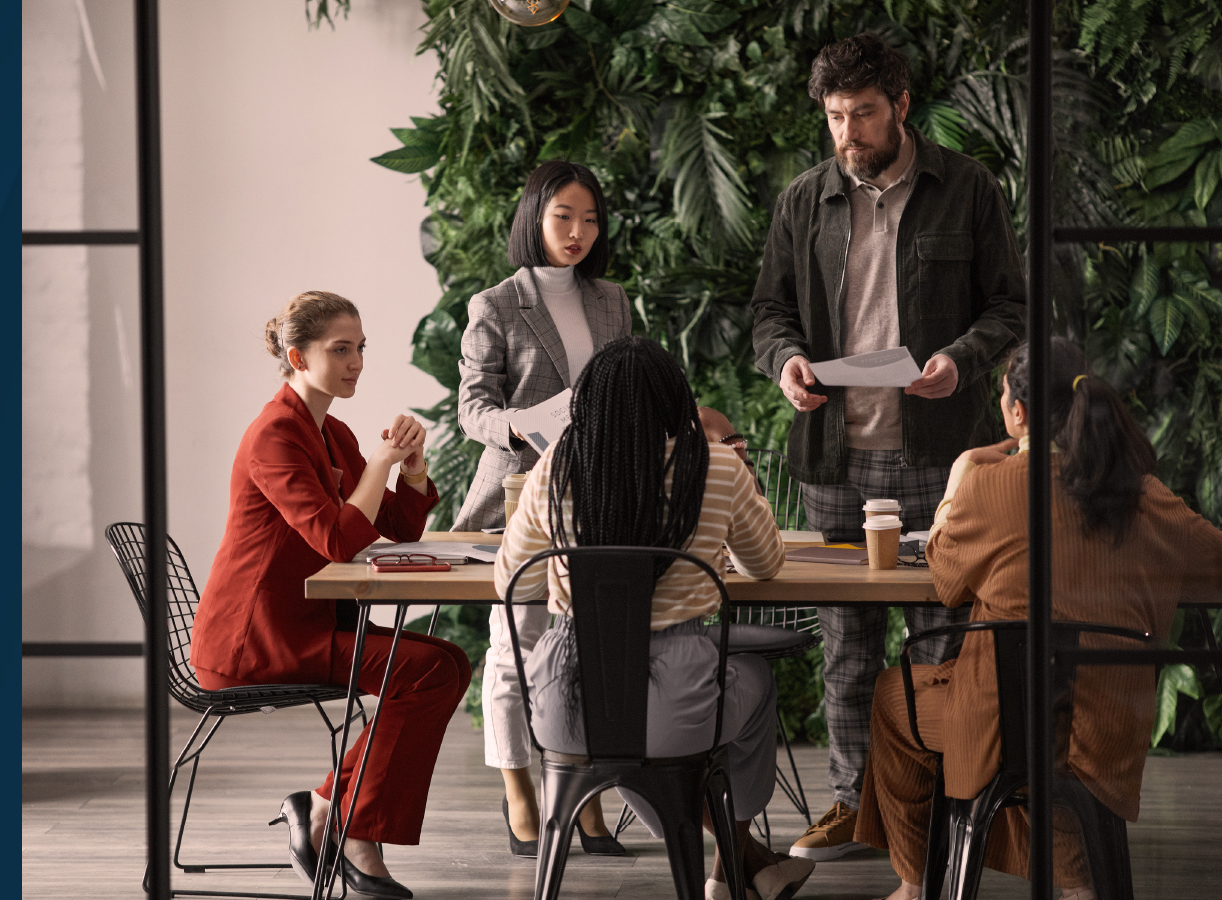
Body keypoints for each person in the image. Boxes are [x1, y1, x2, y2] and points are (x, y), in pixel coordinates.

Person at [748, 31, 1027, 860]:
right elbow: (769, 312)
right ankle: (850, 805)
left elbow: (1009, 307)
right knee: (847, 643)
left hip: (945, 457)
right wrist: (785, 362)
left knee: (942, 638)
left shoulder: (967, 188)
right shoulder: (806, 199)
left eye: (863, 114)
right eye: (834, 117)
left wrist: (961, 359)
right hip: (836, 455)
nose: (847, 134)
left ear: (901, 107)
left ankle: (937, 808)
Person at [855, 336, 1222, 900]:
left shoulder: (989, 486)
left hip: (1005, 730)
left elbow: (948, 582)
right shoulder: (1144, 495)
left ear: (1017, 412)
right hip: (1106, 731)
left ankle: (915, 884)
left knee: (892, 695)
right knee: (1040, 733)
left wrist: (957, 481)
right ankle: (1072, 875)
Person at [495, 336, 816, 900]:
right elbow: (765, 565)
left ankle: (743, 865)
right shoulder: (715, 465)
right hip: (677, 698)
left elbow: (509, 578)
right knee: (752, 685)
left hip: (566, 706)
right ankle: (733, 862)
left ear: (586, 404)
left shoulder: (557, 464)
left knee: (632, 747)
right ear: (675, 401)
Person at [190, 291, 472, 900]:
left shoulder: (329, 429)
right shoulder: (276, 434)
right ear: (297, 355)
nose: (356, 362)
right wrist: (378, 465)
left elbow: (395, 524)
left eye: (361, 348)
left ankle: (323, 805)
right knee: (423, 672)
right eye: (340, 349)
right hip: (257, 637)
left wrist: (412, 469)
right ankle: (354, 831)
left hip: (307, 620)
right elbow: (338, 540)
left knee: (447, 663)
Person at [454, 160, 635, 856]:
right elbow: (473, 411)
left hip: (598, 497)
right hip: (522, 497)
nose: (579, 231)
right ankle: (520, 793)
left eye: (591, 219)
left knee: (587, 651)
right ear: (534, 216)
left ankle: (581, 794)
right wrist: (529, 421)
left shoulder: (612, 300)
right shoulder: (496, 304)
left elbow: (625, 389)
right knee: (514, 652)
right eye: (564, 215)